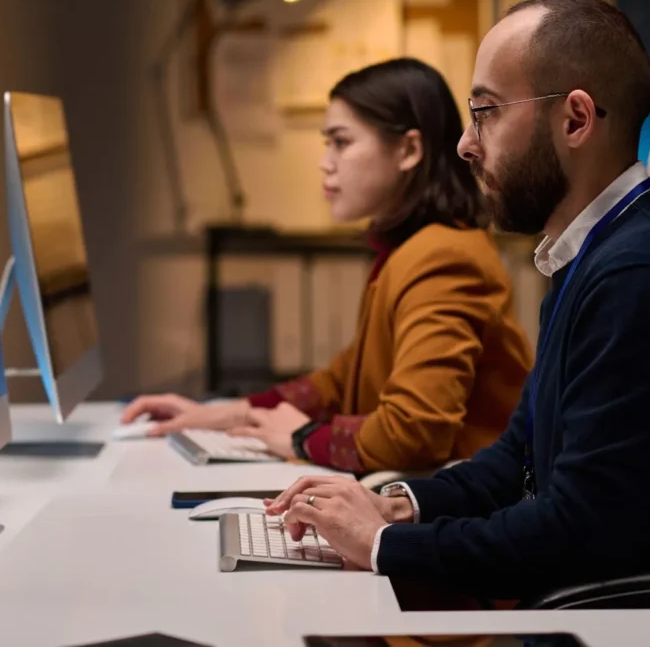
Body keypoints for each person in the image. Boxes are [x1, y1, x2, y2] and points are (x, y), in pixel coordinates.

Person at [266, 0, 650, 599]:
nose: (464, 143)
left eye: (485, 112)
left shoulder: (641, 278)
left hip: (636, 626)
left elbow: (577, 529)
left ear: (576, 120)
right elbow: (520, 458)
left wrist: (382, 547)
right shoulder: (588, 259)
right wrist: (396, 505)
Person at [122, 58, 532, 474]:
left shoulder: (442, 256)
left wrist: (301, 437)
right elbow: (340, 381)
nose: (325, 162)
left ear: (409, 150)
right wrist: (232, 413)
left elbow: (414, 432)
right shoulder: (413, 249)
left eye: (341, 141)